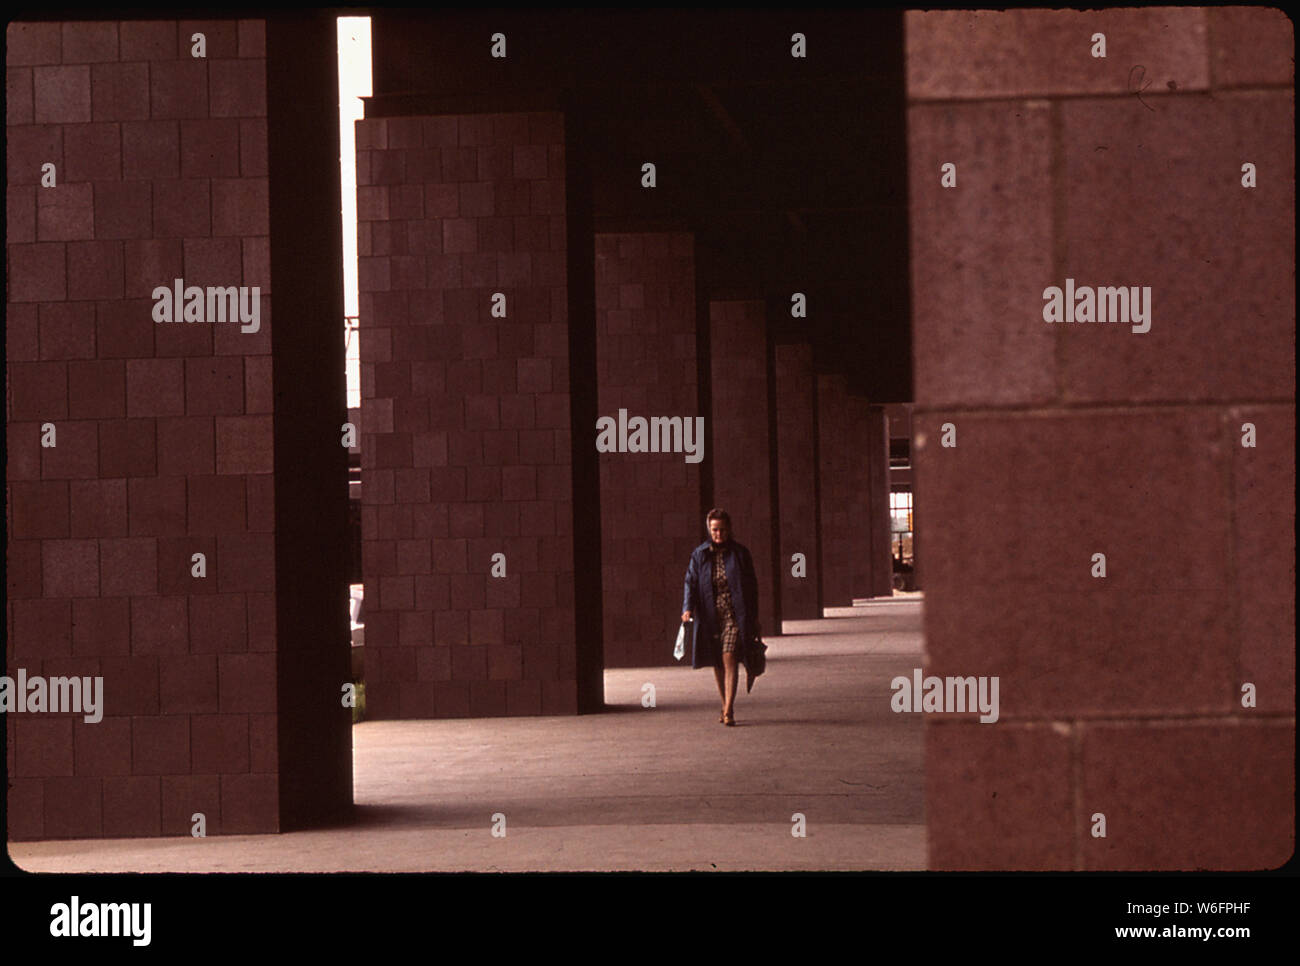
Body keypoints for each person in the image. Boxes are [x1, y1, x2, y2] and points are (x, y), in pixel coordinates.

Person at [681, 508, 760, 726]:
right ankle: (724, 702)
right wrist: (687, 607)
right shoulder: (699, 555)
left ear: (729, 529)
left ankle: (728, 709)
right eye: (715, 530)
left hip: (735, 613)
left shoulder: (741, 554)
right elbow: (691, 582)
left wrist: (754, 617)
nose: (719, 534)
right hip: (710, 614)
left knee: (729, 656)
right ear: (709, 529)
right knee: (717, 661)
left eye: (723, 530)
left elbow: (752, 587)